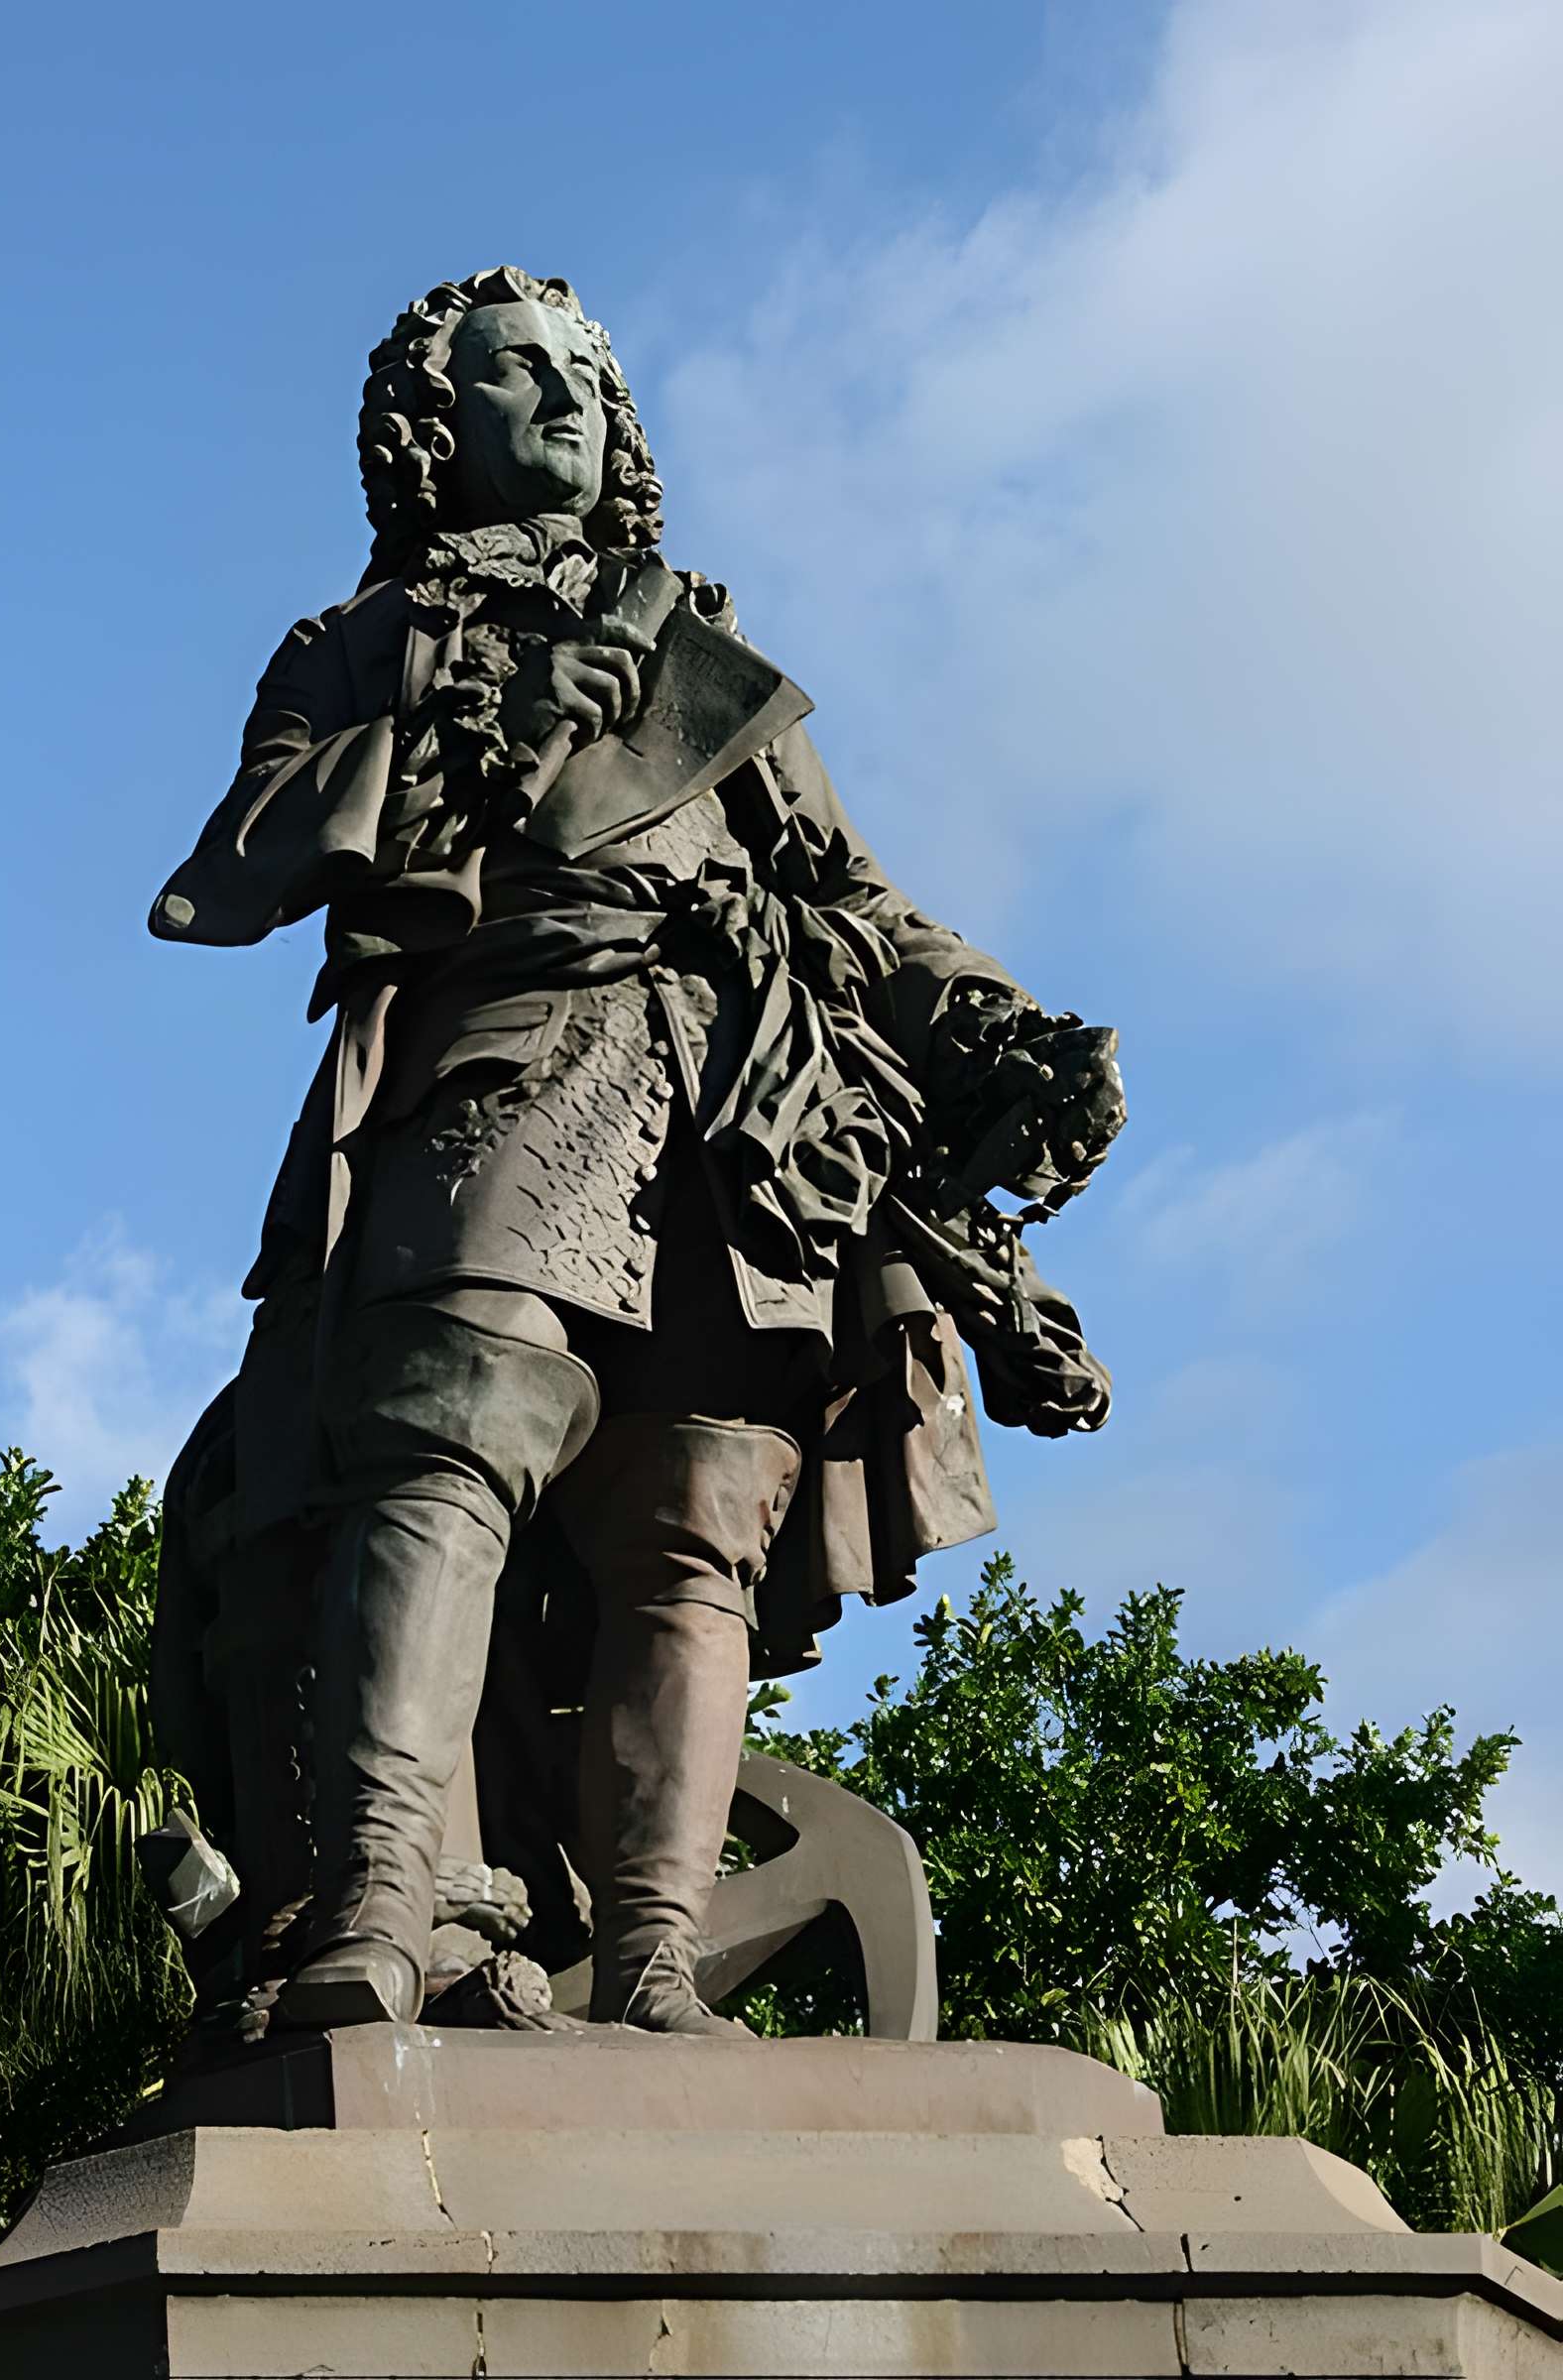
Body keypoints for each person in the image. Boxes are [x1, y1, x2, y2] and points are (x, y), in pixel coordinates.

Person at [150, 265, 1124, 2038]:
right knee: (447, 1448)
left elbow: (849, 896)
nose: (570, 404)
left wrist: (994, 1016)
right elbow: (246, 861)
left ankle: (657, 1962)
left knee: (695, 1529)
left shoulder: (707, 650)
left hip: (745, 1114)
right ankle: (380, 1899)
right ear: (436, 428)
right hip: (514, 1054)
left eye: (591, 377)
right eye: (521, 376)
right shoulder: (354, 646)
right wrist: (498, 725)